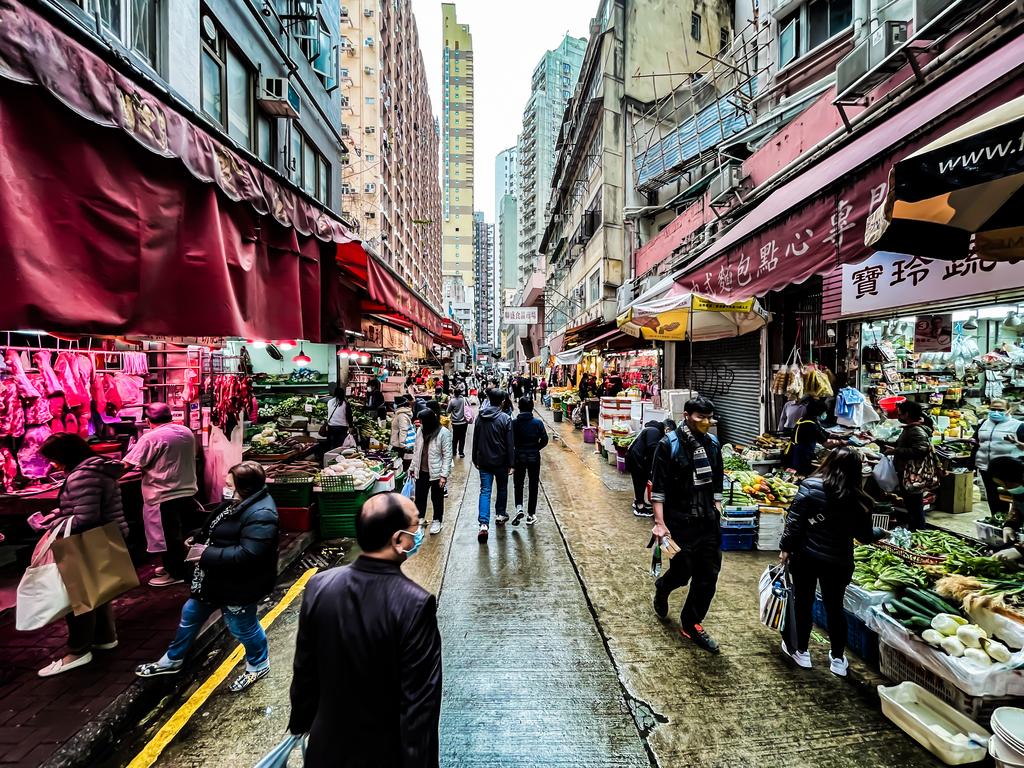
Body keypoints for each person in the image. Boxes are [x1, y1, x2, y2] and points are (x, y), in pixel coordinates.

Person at [286, 493, 442, 767]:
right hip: (382, 753)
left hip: (326, 748)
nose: (419, 533)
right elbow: (420, 706)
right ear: (397, 540)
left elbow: (304, 670)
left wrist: (300, 722)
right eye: (416, 527)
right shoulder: (416, 604)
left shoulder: (319, 585)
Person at [135, 461, 279, 692]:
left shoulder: (262, 514)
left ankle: (259, 664)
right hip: (214, 579)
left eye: (230, 484)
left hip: (239, 584)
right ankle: (172, 660)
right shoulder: (235, 504)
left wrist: (206, 554)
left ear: (245, 487)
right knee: (190, 613)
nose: (226, 488)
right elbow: (216, 528)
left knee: (243, 627)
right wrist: (197, 537)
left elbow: (249, 554)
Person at [779, 447, 887, 676]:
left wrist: (785, 548)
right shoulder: (861, 498)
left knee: (803, 603)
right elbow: (864, 536)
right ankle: (837, 659)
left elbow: (795, 521)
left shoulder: (810, 485)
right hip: (838, 561)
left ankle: (801, 651)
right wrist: (881, 532)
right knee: (835, 608)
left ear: (828, 462)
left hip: (806, 557)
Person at [36, 434, 128, 677]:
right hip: (105, 536)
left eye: (54, 459)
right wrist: (60, 512)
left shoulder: (82, 475)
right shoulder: (96, 469)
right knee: (98, 592)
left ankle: (78, 652)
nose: (53, 464)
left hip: (87, 540)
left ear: (66, 455)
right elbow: (84, 508)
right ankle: (106, 638)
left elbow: (86, 518)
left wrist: (55, 522)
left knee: (79, 599)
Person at [650, 397, 724, 653]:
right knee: (682, 572)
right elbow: (658, 489)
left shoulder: (713, 445)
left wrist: (716, 508)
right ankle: (663, 587)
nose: (705, 423)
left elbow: (717, 484)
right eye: (699, 418)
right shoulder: (668, 445)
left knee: (708, 576)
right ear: (686, 415)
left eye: (708, 418)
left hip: (708, 523)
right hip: (680, 523)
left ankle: (691, 623)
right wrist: (660, 524)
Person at [122, 402, 198, 588]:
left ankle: (175, 573)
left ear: (147, 421)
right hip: (187, 491)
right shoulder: (186, 431)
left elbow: (127, 465)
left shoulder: (151, 437)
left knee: (167, 538)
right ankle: (176, 567)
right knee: (178, 535)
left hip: (163, 494)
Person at [883, 400, 934, 530]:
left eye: (900, 414)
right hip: (906, 472)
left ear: (907, 414)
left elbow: (920, 450)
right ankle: (914, 529)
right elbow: (906, 445)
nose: (898, 417)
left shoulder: (916, 430)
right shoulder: (910, 429)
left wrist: (895, 451)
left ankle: (919, 531)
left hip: (912, 474)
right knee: (911, 505)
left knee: (915, 506)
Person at [472, 389, 515, 543]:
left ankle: (483, 524)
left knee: (485, 491)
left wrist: (474, 458)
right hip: (501, 462)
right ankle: (500, 514)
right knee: (502, 488)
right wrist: (511, 463)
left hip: (484, 461)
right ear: (502, 401)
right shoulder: (505, 418)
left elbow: (475, 439)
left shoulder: (480, 417)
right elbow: (510, 443)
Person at [973, 399, 1024, 517]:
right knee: (993, 498)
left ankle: (1012, 522)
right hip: (986, 468)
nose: (996, 412)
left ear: (1008, 410)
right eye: (993, 409)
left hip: (1008, 473)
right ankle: (997, 520)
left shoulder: (1018, 426)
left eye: (1000, 410)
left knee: (1012, 500)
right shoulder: (983, 423)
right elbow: (976, 441)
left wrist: (1016, 442)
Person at [409, 409, 452, 535]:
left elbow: (447, 455)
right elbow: (416, 450)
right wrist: (412, 468)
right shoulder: (420, 431)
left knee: (437, 498)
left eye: (422, 421)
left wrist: (444, 475)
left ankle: (437, 520)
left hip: (436, 473)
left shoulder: (443, 433)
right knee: (420, 498)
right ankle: (420, 519)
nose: (420, 423)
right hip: (421, 471)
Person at [511, 397, 549, 526]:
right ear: (532, 407)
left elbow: (510, 441)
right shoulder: (537, 423)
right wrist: (535, 448)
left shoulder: (514, 423)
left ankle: (519, 507)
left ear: (519, 407)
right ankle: (531, 514)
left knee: (518, 483)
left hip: (518, 456)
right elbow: (544, 440)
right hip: (534, 457)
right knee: (533, 485)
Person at [625, 420, 665, 518]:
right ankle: (640, 508)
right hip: (637, 459)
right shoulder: (654, 431)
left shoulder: (648, 429)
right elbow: (652, 447)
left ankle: (638, 502)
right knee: (640, 481)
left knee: (639, 481)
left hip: (634, 458)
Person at [786, 399, 837, 476]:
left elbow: (825, 433)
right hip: (803, 456)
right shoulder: (810, 424)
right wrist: (844, 443)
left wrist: (842, 436)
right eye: (824, 412)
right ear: (819, 412)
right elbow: (826, 444)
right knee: (803, 476)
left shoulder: (805, 419)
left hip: (798, 453)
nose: (825, 414)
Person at [988, 456, 1024, 563]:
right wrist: (1010, 525)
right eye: (1001, 485)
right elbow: (1018, 506)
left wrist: (1020, 550)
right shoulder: (1019, 488)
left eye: (1005, 484)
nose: (1005, 488)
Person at [390, 395, 415, 474]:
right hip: (399, 444)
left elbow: (403, 430)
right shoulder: (400, 414)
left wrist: (402, 444)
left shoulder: (401, 415)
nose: (393, 405)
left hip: (400, 445)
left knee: (401, 464)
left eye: (394, 403)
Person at [325, 386, 353, 450]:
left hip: (331, 426)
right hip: (342, 427)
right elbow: (349, 416)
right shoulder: (345, 403)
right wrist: (351, 426)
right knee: (341, 445)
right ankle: (339, 458)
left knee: (332, 444)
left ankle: (331, 457)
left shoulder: (330, 402)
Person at [446, 386, 470, 458]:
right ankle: (461, 452)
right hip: (464, 422)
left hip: (455, 422)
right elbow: (469, 406)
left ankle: (454, 452)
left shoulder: (452, 401)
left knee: (455, 437)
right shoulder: (464, 399)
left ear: (454, 393)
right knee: (462, 437)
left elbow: (448, 411)